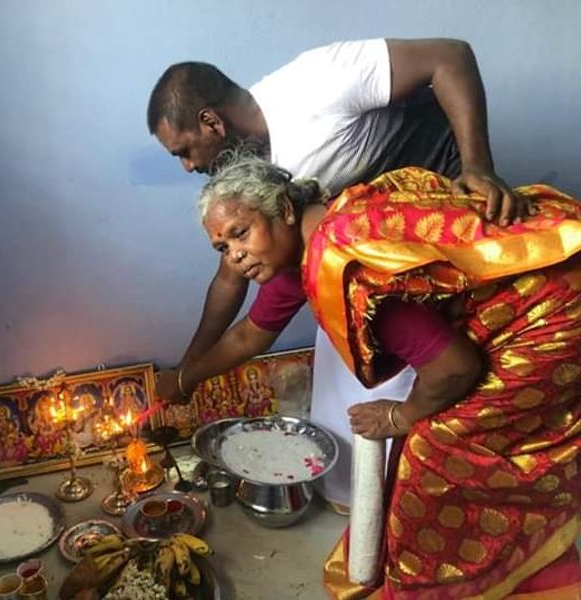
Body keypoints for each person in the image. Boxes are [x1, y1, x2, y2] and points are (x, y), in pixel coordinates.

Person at [148, 38, 530, 508]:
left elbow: (449, 56)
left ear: (211, 121)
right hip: (348, 261)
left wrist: (477, 167)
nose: (188, 166)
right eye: (225, 245)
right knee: (349, 386)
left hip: (427, 256)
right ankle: (363, 495)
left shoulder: (312, 86)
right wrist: (186, 374)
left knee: (431, 402)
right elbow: (240, 307)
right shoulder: (269, 215)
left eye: (184, 150)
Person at [194, 154, 581, 598]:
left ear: (284, 210)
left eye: (240, 233)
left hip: (554, 310)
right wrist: (185, 378)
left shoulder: (347, 267)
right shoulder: (331, 219)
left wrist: (400, 416)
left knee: (435, 454)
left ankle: (452, 582)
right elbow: (248, 334)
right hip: (537, 281)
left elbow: (456, 368)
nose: (235, 255)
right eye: (222, 248)